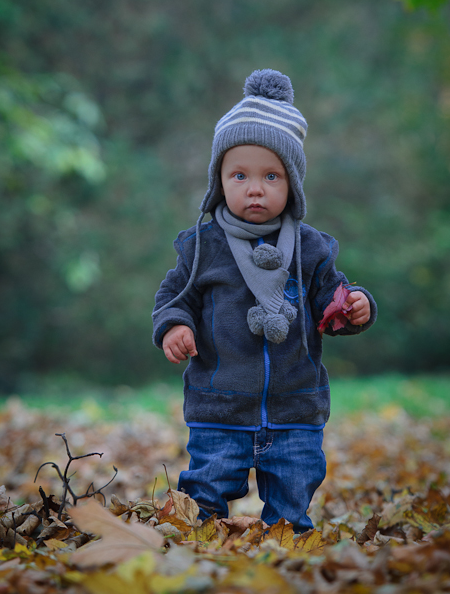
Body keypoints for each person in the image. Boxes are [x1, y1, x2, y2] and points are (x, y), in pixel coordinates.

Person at [152, 69, 377, 532]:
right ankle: (203, 544)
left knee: (295, 490)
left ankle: (288, 540)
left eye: (271, 175)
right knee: (206, 490)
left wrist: (355, 306)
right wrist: (175, 325)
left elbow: (330, 302)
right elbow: (175, 295)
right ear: (219, 180)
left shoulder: (311, 248)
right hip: (219, 403)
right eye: (240, 175)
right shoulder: (203, 245)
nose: (255, 188)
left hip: (295, 404)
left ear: (292, 183)